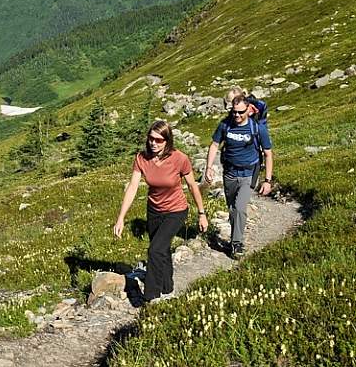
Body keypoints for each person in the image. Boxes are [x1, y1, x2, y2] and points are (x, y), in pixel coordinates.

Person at [113, 120, 208, 302]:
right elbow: (132, 187)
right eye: (151, 139)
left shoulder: (180, 158)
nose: (153, 143)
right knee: (162, 249)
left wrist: (201, 214)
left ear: (167, 141)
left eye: (159, 140)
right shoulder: (142, 158)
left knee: (155, 250)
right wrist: (121, 218)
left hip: (176, 210)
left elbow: (193, 186)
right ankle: (167, 285)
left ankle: (151, 295)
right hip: (154, 209)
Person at [204, 94, 275, 259]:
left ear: (249, 110)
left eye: (240, 112)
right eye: (234, 112)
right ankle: (235, 237)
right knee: (232, 209)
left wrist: (267, 180)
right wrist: (208, 167)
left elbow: (268, 154)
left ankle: (237, 243)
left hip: (248, 174)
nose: (236, 115)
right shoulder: (225, 125)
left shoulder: (257, 128)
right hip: (229, 173)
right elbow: (215, 145)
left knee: (239, 207)